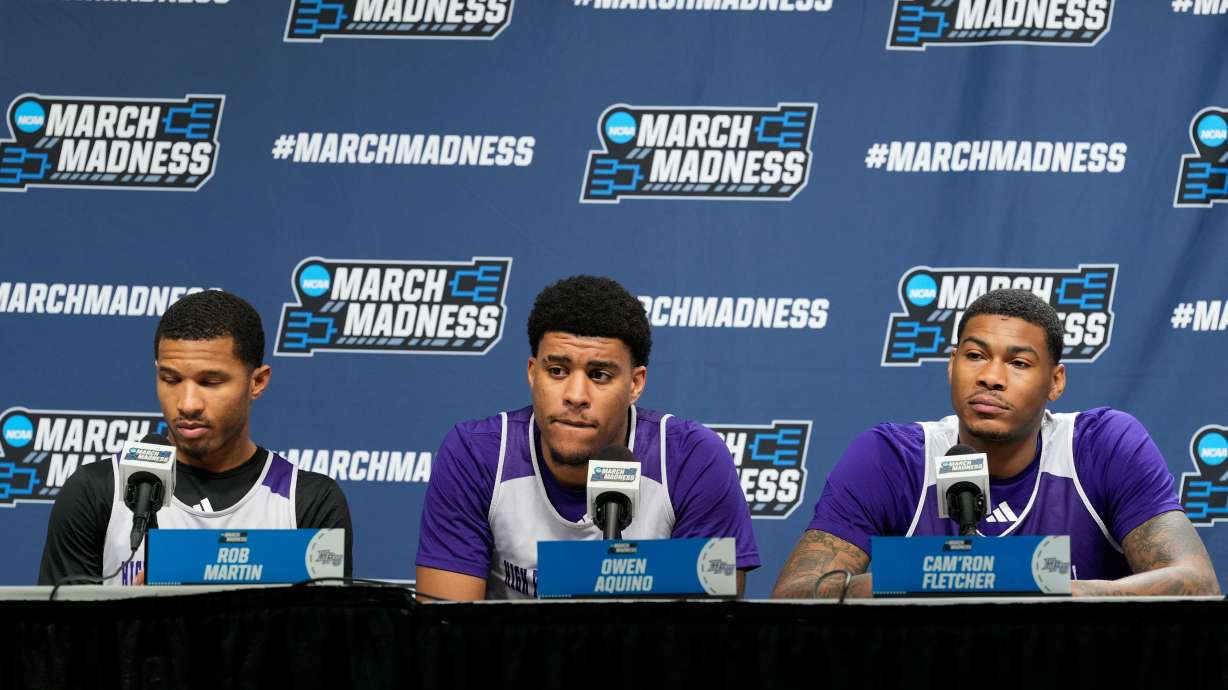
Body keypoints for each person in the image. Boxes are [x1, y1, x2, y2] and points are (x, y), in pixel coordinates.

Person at [773, 289, 1219, 598]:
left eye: (1019, 362)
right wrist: (929, 576)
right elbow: (795, 593)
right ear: (951, 366)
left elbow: (1196, 583)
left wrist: (1044, 588)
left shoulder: (1102, 444)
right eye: (975, 355)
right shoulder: (891, 456)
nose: (991, 377)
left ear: (1056, 381)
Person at [415, 275, 759, 600]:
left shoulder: (693, 459)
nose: (575, 395)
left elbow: (709, 638)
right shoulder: (475, 455)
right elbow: (446, 636)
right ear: (533, 373)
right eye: (557, 371)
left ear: (635, 384)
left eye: (599, 374)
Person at [38, 290, 352, 586]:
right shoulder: (95, 493)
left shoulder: (308, 501)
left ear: (257, 381)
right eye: (170, 379)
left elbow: (326, 638)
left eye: (211, 381)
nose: (187, 403)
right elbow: (58, 638)